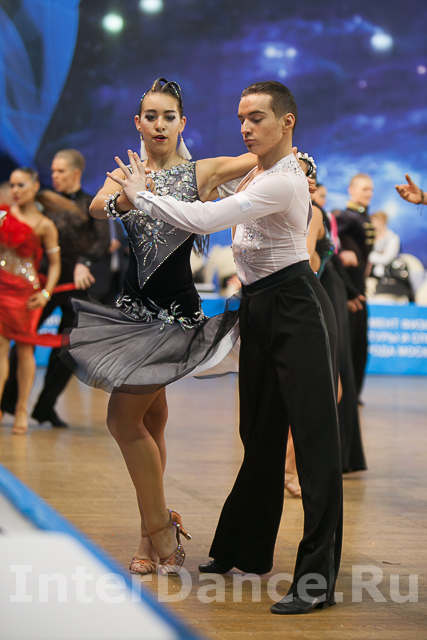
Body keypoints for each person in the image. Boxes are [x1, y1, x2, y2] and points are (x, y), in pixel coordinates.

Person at [110, 80, 343, 615]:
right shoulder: (259, 170)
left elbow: (208, 219)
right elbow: (214, 187)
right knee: (256, 434)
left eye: (257, 117)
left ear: (286, 121)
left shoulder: (283, 180)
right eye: (241, 118)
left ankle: (316, 581)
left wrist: (142, 193)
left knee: (314, 446)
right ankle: (243, 548)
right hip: (258, 306)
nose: (245, 127)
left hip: (297, 308)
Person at [62, 78, 265, 576]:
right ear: (138, 123)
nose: (159, 124)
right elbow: (96, 206)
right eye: (150, 116)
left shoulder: (201, 171)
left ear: (182, 123)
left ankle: (159, 528)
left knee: (121, 421)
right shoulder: (126, 172)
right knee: (150, 424)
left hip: (173, 319)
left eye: (168, 116)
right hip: (131, 316)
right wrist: (128, 196)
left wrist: (302, 163)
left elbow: (265, 158)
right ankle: (149, 533)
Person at [1, 149, 110, 427]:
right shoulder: (45, 204)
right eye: (52, 171)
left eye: (60, 171)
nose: (55, 175)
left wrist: (84, 262)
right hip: (44, 282)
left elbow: (102, 242)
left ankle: (44, 407)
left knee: (68, 350)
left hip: (79, 286)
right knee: (22, 342)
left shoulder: (91, 203)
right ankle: (8, 403)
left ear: (76, 173)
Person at [308, 184, 367, 473]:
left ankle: (331, 456)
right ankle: (304, 462)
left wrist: (351, 290)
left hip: (329, 289)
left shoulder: (318, 213)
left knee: (337, 374)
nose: (319, 198)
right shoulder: (315, 213)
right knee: (326, 377)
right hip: (322, 290)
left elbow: (324, 259)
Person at [0, 168, 61, 434]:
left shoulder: (45, 225)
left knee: (25, 351)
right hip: (1, 289)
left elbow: (55, 264)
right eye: (12, 185)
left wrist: (46, 294)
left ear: (35, 186)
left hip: (26, 295)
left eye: (21, 185)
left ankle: (22, 409)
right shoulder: (2, 215)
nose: (15, 190)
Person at [336, 173, 375, 400]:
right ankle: (346, 397)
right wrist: (342, 252)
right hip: (348, 289)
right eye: (364, 189)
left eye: (371, 189)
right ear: (352, 191)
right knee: (349, 344)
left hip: (360, 286)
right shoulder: (346, 217)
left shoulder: (363, 215)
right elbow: (328, 242)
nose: (369, 193)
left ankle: (354, 396)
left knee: (360, 345)